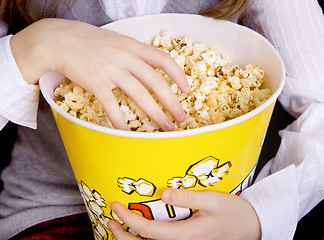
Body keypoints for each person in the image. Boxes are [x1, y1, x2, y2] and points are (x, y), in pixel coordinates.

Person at [0, 0, 323, 239]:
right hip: (53, 209)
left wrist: (260, 215)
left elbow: (319, 103)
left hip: (214, 213)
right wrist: (34, 47)